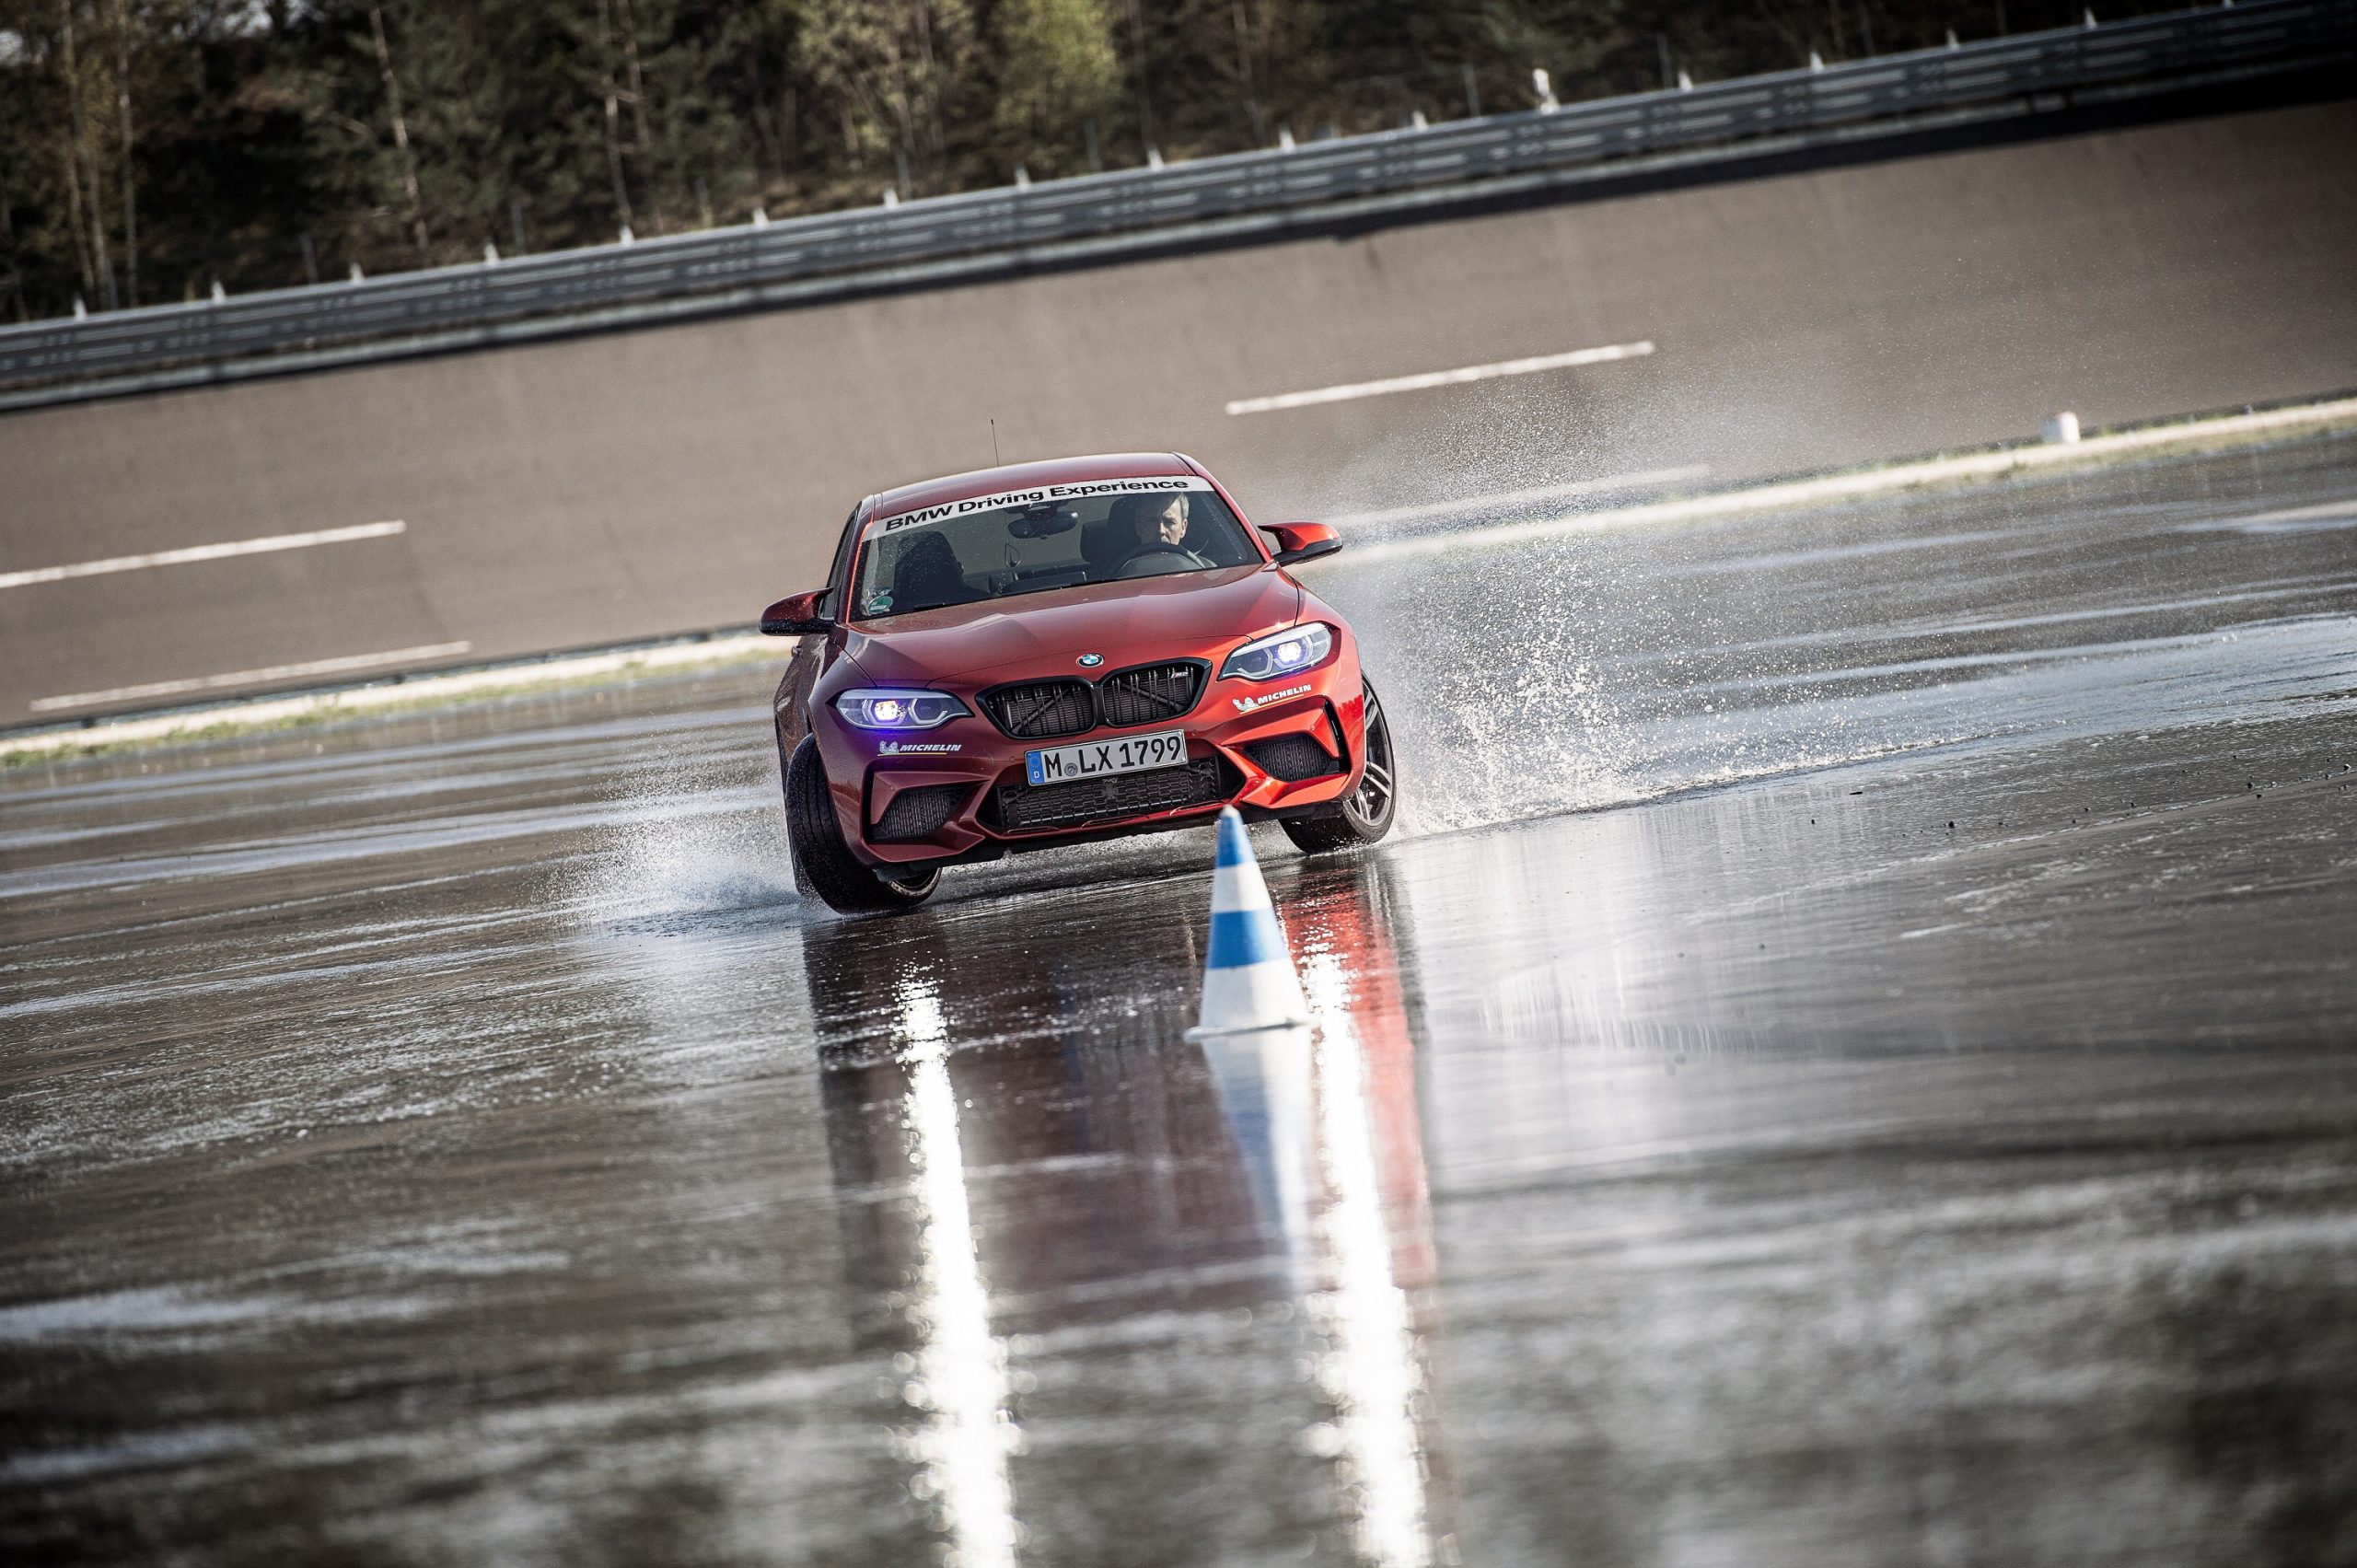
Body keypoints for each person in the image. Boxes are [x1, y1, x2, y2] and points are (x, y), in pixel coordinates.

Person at [1110, 493, 1213, 576]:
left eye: (1169, 522)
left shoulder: (1207, 572)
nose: (1160, 530)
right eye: (1151, 520)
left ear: (1183, 527)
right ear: (1138, 526)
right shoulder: (1115, 578)